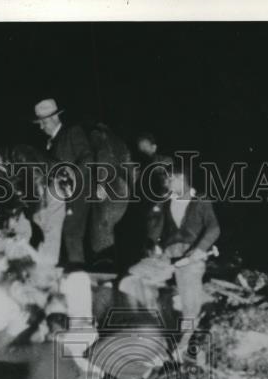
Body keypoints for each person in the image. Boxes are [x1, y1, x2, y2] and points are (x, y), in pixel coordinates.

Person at [145, 161, 220, 358]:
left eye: (169, 180)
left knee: (190, 302)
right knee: (146, 288)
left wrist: (199, 249)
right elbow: (154, 232)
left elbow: (214, 228)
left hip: (191, 256)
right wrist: (156, 244)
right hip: (168, 255)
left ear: (180, 178)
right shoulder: (166, 202)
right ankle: (160, 340)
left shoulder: (200, 200)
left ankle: (184, 347)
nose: (166, 184)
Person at [34, 99, 93, 268]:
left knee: (71, 233)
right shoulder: (49, 143)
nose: (41, 127)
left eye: (43, 122)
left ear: (53, 119)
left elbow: (88, 157)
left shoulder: (73, 132)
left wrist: (71, 176)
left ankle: (78, 275)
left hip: (77, 194)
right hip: (59, 198)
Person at [88, 122, 132, 270]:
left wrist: (101, 183)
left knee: (103, 225)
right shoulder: (120, 142)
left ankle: (103, 261)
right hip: (123, 189)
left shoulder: (101, 138)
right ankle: (112, 260)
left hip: (110, 187)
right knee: (113, 226)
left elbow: (103, 157)